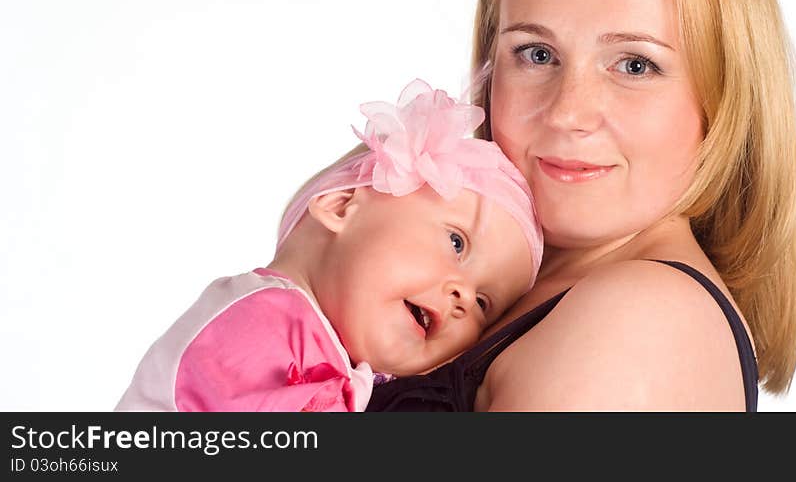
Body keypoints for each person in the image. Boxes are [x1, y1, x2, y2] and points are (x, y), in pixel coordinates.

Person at [366, 0, 796, 411]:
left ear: (724, 97)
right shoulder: (491, 287)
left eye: (635, 65)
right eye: (537, 53)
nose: (568, 112)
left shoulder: (639, 320)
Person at [114, 79, 543, 412]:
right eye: (456, 242)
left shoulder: (331, 350)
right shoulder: (255, 316)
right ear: (341, 206)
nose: (464, 296)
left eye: (485, 303)